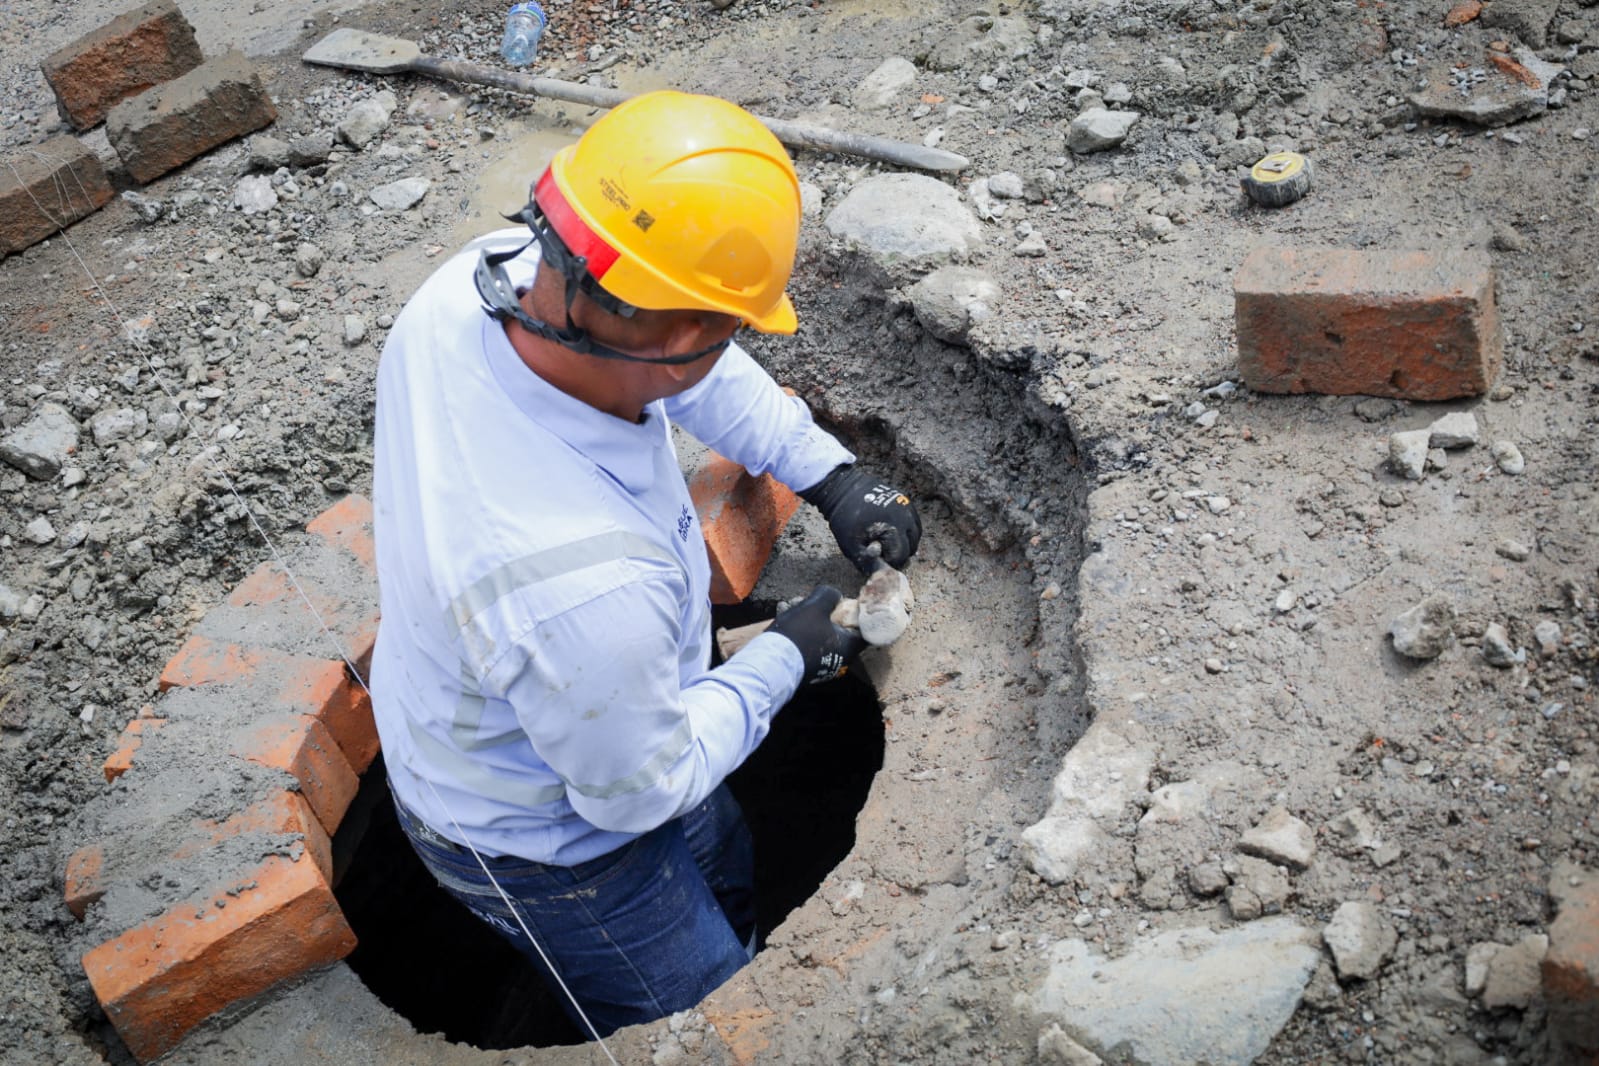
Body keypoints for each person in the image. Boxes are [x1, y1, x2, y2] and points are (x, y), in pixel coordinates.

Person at [368, 89, 922, 1038]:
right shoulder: (580, 589)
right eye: (727, 327)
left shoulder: (487, 284)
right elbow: (641, 791)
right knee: (704, 1004)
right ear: (678, 341)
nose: (723, 346)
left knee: (726, 862)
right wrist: (784, 658)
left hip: (566, 718)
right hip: (554, 848)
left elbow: (680, 354)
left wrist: (824, 470)